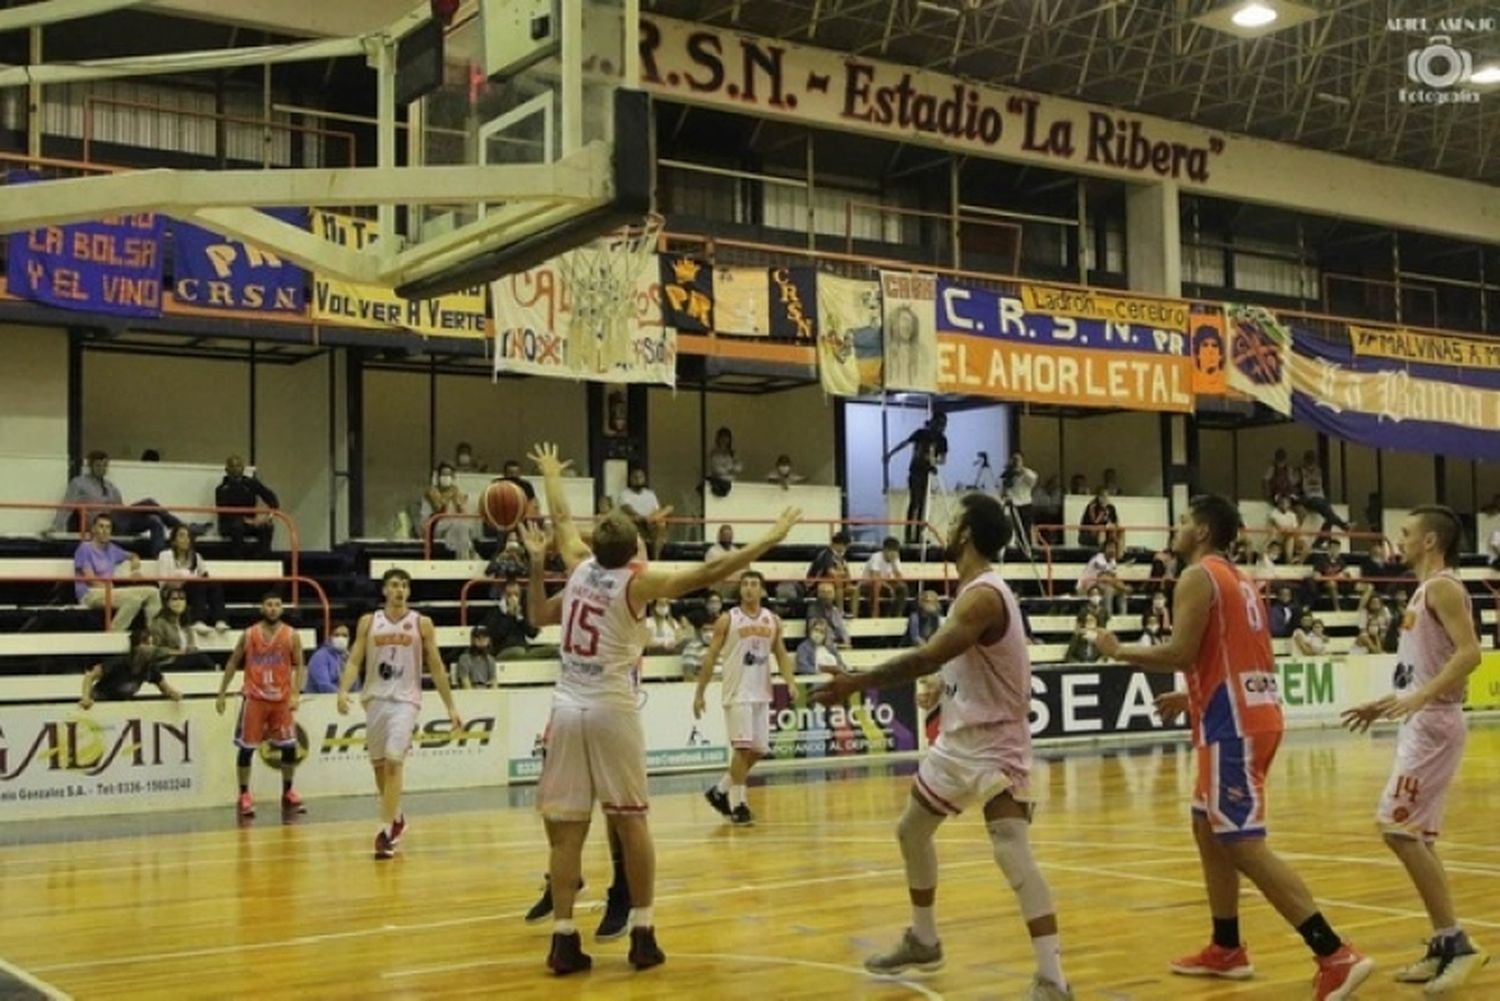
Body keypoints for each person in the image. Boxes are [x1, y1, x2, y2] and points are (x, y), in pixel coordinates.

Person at [517, 441, 799, 976]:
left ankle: (562, 939)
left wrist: (552, 476)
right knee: (632, 823)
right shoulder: (639, 582)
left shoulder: (576, 567)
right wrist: (769, 538)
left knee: (567, 830)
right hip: (610, 709)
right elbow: (709, 575)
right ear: (637, 550)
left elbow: (558, 524)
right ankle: (643, 931)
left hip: (565, 706)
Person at [1095, 494, 1372, 997]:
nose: (1175, 530)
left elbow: (1179, 649)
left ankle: (1334, 952)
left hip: (1234, 725)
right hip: (1245, 712)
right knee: (1207, 827)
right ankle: (1227, 947)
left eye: (1181, 522)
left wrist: (1120, 652)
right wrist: (1194, 693)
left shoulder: (1197, 577)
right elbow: (1237, 652)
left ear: (1200, 532)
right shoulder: (1240, 578)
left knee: (1242, 843)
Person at [812, 492, 1072, 1000]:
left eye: (953, 522)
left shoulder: (983, 596)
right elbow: (956, 661)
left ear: (968, 534)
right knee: (911, 831)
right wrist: (945, 690)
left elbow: (928, 654)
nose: (945, 528)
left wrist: (856, 681)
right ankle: (924, 939)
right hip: (959, 741)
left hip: (996, 745)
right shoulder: (972, 592)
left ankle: (1054, 980)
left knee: (1011, 853)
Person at [1341, 506, 1487, 990]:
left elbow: (1470, 653)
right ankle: (1446, 941)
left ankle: (1456, 941)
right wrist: (1392, 702)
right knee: (1414, 835)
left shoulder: (1444, 586)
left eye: (1406, 533)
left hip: (1434, 723)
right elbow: (1426, 666)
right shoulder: (1426, 590)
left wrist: (1422, 697)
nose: (1398, 540)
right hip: (1422, 719)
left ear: (1429, 542)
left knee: (1397, 829)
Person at [337, 568, 463, 860]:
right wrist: (343, 690)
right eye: (394, 585)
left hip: (406, 701)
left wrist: (451, 707)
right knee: (380, 768)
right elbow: (355, 659)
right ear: (384, 591)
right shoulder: (369, 622)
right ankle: (398, 817)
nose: (400, 590)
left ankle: (384, 832)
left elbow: (437, 666)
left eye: (405, 586)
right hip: (375, 699)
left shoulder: (422, 623)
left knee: (394, 762)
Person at [693, 571, 796, 826]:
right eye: (745, 584)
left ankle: (720, 791)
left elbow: (781, 653)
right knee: (743, 748)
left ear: (761, 590)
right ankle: (738, 804)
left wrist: (790, 681)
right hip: (737, 691)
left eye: (754, 584)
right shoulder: (728, 619)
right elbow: (710, 656)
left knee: (759, 749)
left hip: (761, 692)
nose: (749, 589)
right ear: (740, 590)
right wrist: (700, 692)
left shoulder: (773, 620)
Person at [215, 593, 306, 819]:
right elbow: (233, 661)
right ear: (262, 608)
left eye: (277, 605)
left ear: (282, 609)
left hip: (281, 699)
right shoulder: (249, 634)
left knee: (288, 747)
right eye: (269, 605)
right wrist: (222, 692)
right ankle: (244, 794)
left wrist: (296, 693)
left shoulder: (291, 635)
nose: (273, 608)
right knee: (247, 748)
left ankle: (288, 791)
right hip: (255, 698)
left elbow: (300, 665)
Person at [49, 449, 198, 553]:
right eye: (98, 465)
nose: (102, 469)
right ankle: (184, 528)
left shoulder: (111, 486)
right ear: (90, 466)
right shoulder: (79, 483)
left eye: (105, 465)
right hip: (100, 523)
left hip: (118, 522)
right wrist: (55, 528)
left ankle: (158, 556)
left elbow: (121, 510)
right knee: (149, 503)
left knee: (154, 519)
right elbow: (66, 506)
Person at [74, 513, 162, 631]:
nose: (105, 531)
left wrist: (135, 567)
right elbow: (90, 579)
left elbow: (132, 555)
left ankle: (154, 634)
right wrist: (107, 587)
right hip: (90, 594)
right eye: (101, 526)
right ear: (93, 529)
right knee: (134, 600)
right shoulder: (85, 548)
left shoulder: (112, 549)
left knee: (153, 592)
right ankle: (113, 634)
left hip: (109, 591)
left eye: (108, 527)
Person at [885, 412, 948, 545]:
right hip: (916, 471)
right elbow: (905, 443)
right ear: (934, 422)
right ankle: (909, 535)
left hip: (928, 473)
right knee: (915, 502)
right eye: (940, 424)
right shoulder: (921, 433)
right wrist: (891, 453)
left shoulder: (942, 439)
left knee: (924, 505)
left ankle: (919, 535)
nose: (942, 427)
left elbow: (943, 459)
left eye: (943, 425)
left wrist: (933, 461)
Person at [79, 627, 182, 707]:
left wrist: (174, 694)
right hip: (99, 704)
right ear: (135, 646)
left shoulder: (150, 668)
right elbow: (90, 676)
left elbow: (165, 688)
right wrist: (85, 698)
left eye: (152, 644)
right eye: (146, 643)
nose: (151, 648)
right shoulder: (118, 663)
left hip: (122, 707)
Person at [157, 523, 229, 634]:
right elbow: (163, 583)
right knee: (197, 583)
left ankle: (220, 620)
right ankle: (198, 621)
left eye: (188, 536)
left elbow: (205, 576)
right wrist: (185, 578)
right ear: (174, 541)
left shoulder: (196, 556)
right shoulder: (165, 555)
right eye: (181, 536)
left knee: (214, 583)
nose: (186, 539)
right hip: (173, 591)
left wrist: (191, 578)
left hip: (194, 591)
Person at [214, 455, 279, 557]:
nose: (236, 469)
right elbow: (224, 513)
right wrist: (245, 520)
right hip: (229, 524)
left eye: (238, 465)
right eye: (232, 466)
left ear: (243, 468)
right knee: (237, 526)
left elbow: (271, 499)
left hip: (250, 523)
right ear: (226, 469)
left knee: (267, 527)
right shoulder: (221, 489)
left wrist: (267, 517)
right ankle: (239, 561)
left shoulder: (251, 483)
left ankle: (261, 560)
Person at [148, 586, 216, 672]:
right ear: (167, 603)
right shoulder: (159, 623)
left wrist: (191, 649)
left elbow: (191, 647)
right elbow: (154, 651)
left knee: (200, 658)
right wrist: (178, 652)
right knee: (200, 659)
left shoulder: (186, 625)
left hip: (184, 660)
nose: (179, 602)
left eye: (182, 599)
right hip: (166, 663)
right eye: (174, 599)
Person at [423, 462, 478, 560]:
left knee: (463, 526)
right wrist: (449, 498)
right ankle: (470, 555)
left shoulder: (455, 490)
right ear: (438, 476)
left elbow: (462, 511)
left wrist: (460, 506)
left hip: (453, 527)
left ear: (453, 477)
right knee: (460, 527)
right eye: (443, 474)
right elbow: (438, 510)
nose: (446, 477)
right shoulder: (431, 492)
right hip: (436, 526)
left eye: (448, 474)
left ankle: (464, 558)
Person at [1294, 450, 1349, 541]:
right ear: (1305, 460)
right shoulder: (1300, 471)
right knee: (1328, 511)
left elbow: (1323, 485)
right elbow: (1294, 485)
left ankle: (1322, 539)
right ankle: (1343, 525)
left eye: (1312, 460)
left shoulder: (1318, 471)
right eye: (1309, 460)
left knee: (1330, 515)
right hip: (1308, 499)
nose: (1311, 462)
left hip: (1320, 498)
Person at [484, 578, 543, 659]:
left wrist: (519, 617)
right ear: (503, 596)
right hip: (503, 650)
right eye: (509, 595)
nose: (513, 598)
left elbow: (533, 633)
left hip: (524, 650)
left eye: (516, 594)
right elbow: (496, 636)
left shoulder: (524, 611)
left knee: (553, 651)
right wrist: (509, 615)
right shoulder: (495, 612)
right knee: (518, 651)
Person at [862, 535, 909, 618]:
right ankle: (874, 616)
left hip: (885, 584)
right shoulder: (876, 557)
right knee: (876, 586)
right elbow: (875, 577)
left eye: (895, 551)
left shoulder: (895, 559)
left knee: (902, 587)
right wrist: (889, 588)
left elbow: (900, 579)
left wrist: (893, 563)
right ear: (884, 550)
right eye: (890, 551)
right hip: (868, 584)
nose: (893, 553)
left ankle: (897, 615)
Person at [806, 530, 852, 614]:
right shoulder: (826, 554)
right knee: (838, 583)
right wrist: (842, 573)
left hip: (832, 582)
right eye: (846, 546)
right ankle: (840, 612)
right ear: (840, 544)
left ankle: (853, 614)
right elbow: (832, 573)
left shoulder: (840, 556)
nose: (846, 549)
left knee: (854, 589)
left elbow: (847, 575)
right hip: (816, 584)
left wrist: (845, 573)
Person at [1079, 540, 1129, 616]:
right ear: (1104, 549)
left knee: (1121, 592)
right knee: (1108, 590)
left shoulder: (1112, 561)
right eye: (1110, 547)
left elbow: (1115, 578)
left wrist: (1123, 587)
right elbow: (1104, 578)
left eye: (1114, 548)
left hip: (1099, 585)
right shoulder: (1098, 559)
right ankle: (1108, 616)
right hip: (1087, 586)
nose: (1112, 550)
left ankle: (1123, 617)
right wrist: (1124, 588)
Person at [1001, 452, 1039, 542]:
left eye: (1017, 459)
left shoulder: (1028, 473)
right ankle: (1016, 549)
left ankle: (1027, 550)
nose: (1015, 462)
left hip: (1025, 504)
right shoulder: (1008, 474)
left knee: (1025, 530)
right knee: (1014, 530)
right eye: (1013, 459)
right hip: (1013, 505)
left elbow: (1033, 479)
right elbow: (1005, 489)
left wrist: (1021, 471)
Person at [305, 622, 350, 693]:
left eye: (345, 636)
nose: (341, 638)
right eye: (337, 635)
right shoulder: (320, 656)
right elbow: (324, 686)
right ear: (330, 637)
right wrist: (342, 695)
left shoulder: (347, 657)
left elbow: (355, 684)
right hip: (320, 700)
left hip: (340, 699)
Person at [704, 524, 743, 598]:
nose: (727, 537)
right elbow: (710, 571)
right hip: (719, 584)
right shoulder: (712, 552)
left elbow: (741, 569)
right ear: (719, 536)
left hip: (734, 583)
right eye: (725, 535)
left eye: (729, 535)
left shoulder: (737, 551)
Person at [806, 581, 850, 647]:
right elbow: (816, 634)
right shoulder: (813, 610)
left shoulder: (835, 611)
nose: (827, 596)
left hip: (837, 645)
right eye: (824, 593)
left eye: (829, 593)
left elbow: (841, 629)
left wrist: (845, 641)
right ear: (818, 595)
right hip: (820, 646)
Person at [1267, 495, 1303, 562]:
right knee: (1289, 538)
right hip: (1277, 538)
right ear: (1279, 504)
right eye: (1282, 503)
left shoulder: (1292, 515)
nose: (1284, 505)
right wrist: (1286, 530)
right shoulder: (1273, 513)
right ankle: (1289, 561)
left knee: (1292, 540)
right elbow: (1277, 526)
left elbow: (1296, 528)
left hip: (1290, 536)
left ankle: (1291, 562)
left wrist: (1290, 531)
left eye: (1287, 503)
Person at [706, 426, 741, 495]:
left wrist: (731, 468)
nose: (724, 439)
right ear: (718, 438)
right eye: (722, 437)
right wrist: (727, 469)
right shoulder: (714, 453)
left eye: (726, 437)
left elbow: (738, 467)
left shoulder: (732, 453)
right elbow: (715, 467)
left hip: (731, 481)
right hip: (718, 481)